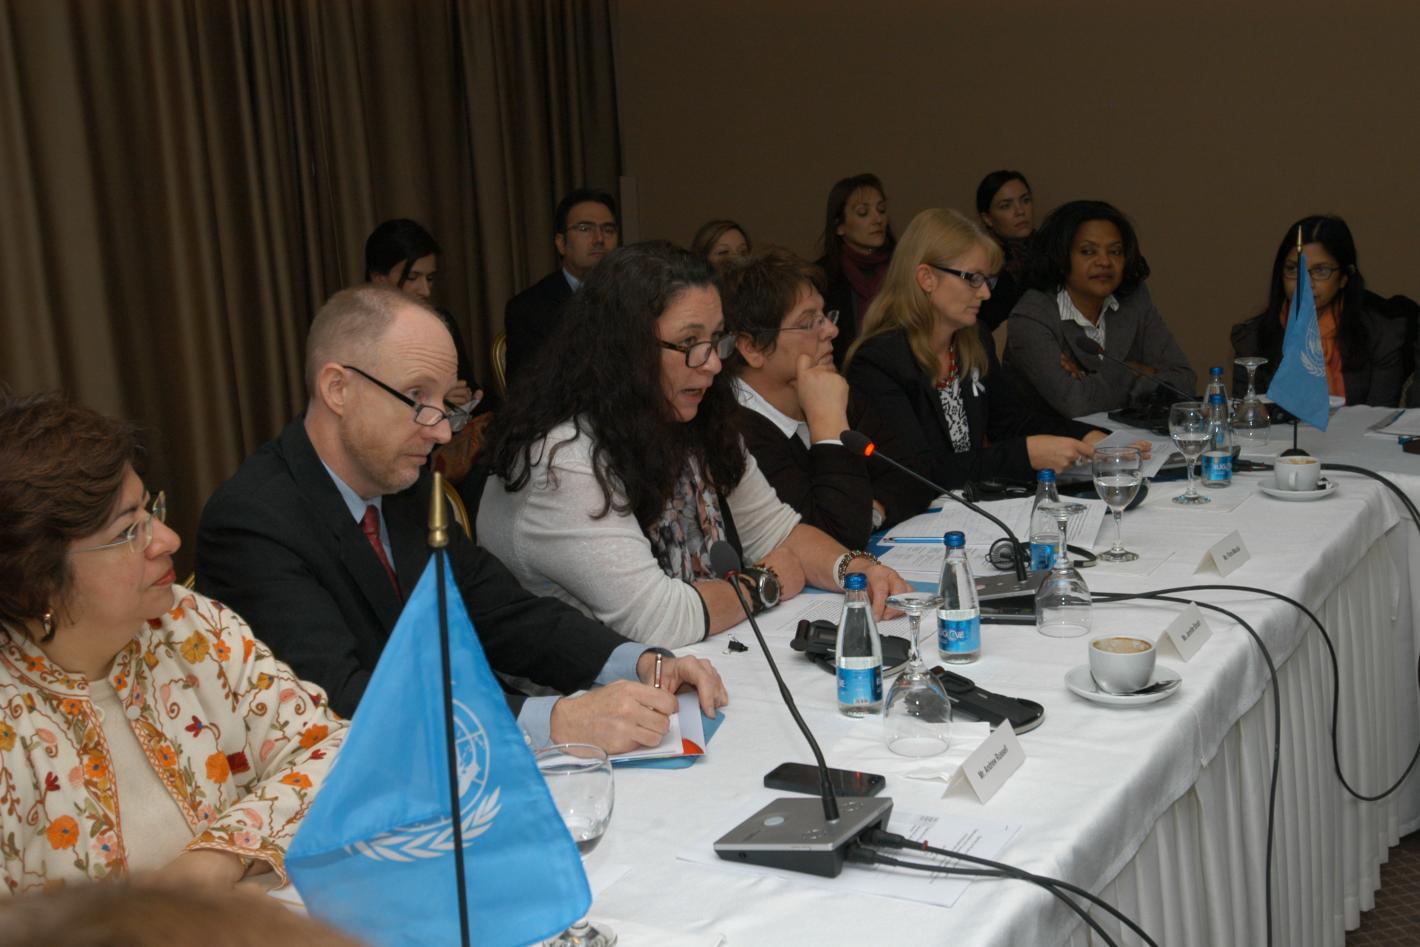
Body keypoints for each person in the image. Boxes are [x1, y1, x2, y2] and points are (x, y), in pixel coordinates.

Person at [196, 285, 727, 753]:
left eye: (444, 403)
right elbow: (344, 703)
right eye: (416, 398)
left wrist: (641, 662)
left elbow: (501, 611)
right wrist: (555, 722)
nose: (443, 432)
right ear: (338, 388)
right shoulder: (253, 524)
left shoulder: (400, 488)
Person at [478, 242, 910, 649]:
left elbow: (778, 533)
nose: (714, 363)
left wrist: (856, 569)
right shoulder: (564, 458)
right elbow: (658, 619)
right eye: (689, 343)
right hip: (586, 692)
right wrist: (764, 584)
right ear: (624, 349)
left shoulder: (696, 421)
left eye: (716, 339)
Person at [0, 392, 345, 894]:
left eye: (150, 510)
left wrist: (218, 858)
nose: (168, 540)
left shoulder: (188, 627)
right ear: (38, 579)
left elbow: (333, 748)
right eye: (129, 531)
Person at [844, 209, 1110, 493]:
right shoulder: (877, 362)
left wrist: (1089, 437)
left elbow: (1010, 421)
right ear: (926, 278)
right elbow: (917, 472)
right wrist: (1025, 455)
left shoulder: (973, 339)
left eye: (986, 280)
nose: (985, 293)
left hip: (971, 506)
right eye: (973, 279)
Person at [720, 247, 935, 548]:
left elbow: (914, 476)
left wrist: (870, 513)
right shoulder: (733, 432)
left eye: (825, 315)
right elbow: (832, 542)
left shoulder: (831, 387)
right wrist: (828, 423)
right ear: (752, 348)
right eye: (809, 322)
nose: (832, 330)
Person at [1004, 200, 1196, 419]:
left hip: (1124, 437)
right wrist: (1136, 372)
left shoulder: (1134, 301)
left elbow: (1184, 380)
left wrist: (1092, 384)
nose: (1104, 262)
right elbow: (1076, 403)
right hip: (1050, 438)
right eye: (1088, 251)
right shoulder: (1032, 316)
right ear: (1060, 256)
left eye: (1115, 251)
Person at [365, 218, 494, 479]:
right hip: (396, 460)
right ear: (379, 279)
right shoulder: (361, 337)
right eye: (412, 278)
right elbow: (372, 420)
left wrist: (466, 399)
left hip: (452, 447)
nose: (424, 290)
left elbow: (469, 388)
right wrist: (438, 404)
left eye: (431, 278)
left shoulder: (441, 323)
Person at [1231, 215, 1406, 406]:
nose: (1305, 284)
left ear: (1344, 278)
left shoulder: (1381, 337)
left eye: (1321, 271)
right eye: (1293, 269)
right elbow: (1247, 417)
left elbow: (1380, 417)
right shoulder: (1252, 339)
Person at [504, 188, 620, 380]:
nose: (599, 239)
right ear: (561, 243)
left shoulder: (636, 298)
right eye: (585, 229)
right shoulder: (528, 308)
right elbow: (526, 388)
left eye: (608, 230)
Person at [817, 173, 896, 366]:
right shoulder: (821, 278)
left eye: (881, 209)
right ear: (839, 226)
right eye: (863, 212)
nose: (878, 219)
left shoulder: (903, 267)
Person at [974, 170, 1035, 340]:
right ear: (988, 219)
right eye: (1006, 206)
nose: (1020, 211)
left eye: (1025, 200)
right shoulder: (981, 263)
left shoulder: (1051, 251)